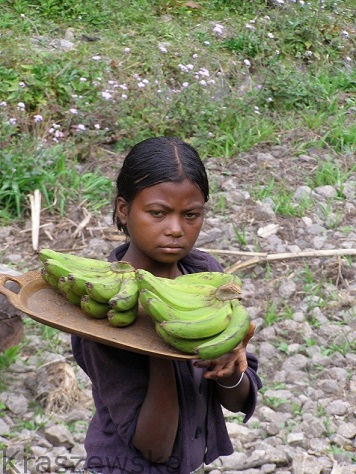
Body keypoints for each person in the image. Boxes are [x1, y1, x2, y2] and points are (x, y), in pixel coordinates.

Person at [71, 136, 262, 474]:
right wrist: (163, 348)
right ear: (123, 209)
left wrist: (232, 367)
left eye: (191, 215)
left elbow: (235, 400)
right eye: (157, 213)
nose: (176, 230)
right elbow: (154, 449)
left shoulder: (204, 277)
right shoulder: (104, 307)